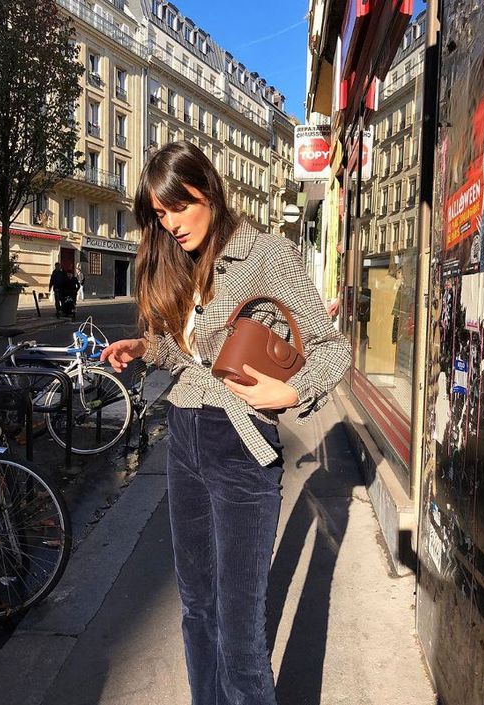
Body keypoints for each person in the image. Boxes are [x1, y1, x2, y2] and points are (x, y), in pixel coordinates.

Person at [100, 141, 351, 705]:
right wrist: (147, 345)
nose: (170, 224)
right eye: (159, 215)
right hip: (184, 441)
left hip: (240, 448)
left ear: (207, 191)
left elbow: (333, 351)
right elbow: (185, 355)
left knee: (239, 635)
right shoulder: (180, 261)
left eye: (178, 207)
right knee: (196, 610)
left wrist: (291, 390)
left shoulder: (268, 255)